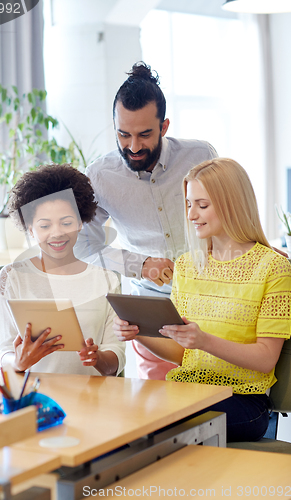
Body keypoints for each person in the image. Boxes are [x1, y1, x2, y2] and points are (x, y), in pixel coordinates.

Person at [113, 158, 291, 442]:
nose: (191, 214)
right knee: (124, 414)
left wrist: (205, 341)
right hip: (188, 392)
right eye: (188, 204)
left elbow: (265, 359)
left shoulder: (273, 268)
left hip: (244, 402)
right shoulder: (186, 266)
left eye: (202, 205)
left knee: (152, 426)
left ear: (232, 204)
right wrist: (137, 334)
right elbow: (182, 353)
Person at [74, 61, 218, 380]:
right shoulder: (100, 176)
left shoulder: (200, 155)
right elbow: (83, 244)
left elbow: (229, 214)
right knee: (162, 411)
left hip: (212, 300)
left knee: (220, 398)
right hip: (153, 313)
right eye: (123, 135)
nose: (134, 146)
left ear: (164, 127)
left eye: (144, 134)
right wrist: (140, 265)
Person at [0, 164, 126, 376]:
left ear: (80, 222)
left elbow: (116, 358)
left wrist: (97, 358)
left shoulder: (106, 280)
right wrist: (18, 362)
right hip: (33, 398)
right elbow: (3, 351)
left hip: (93, 401)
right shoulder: (12, 277)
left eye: (66, 222)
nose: (57, 234)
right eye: (45, 226)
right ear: (30, 229)